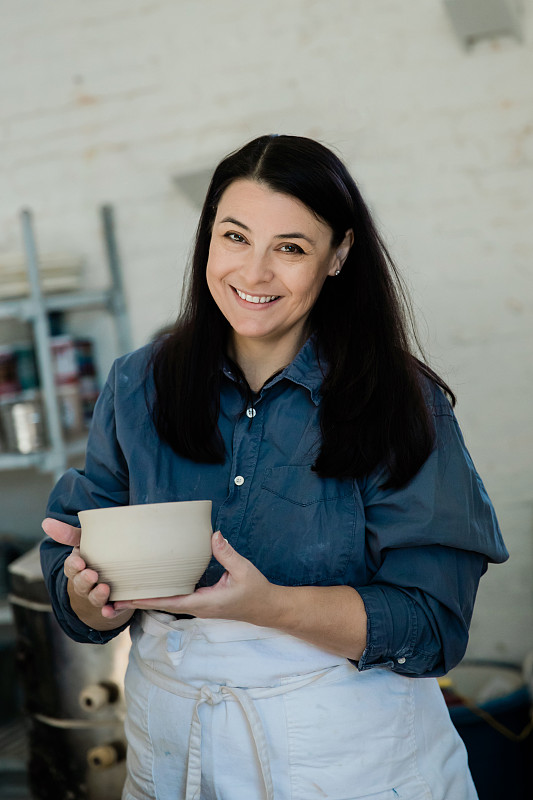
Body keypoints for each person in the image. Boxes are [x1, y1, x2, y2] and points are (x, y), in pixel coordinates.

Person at [40, 134, 508, 800]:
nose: (253, 273)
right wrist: (90, 597)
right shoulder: (137, 384)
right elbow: (72, 564)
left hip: (355, 767)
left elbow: (432, 625)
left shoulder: (403, 405)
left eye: (289, 248)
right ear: (207, 239)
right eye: (234, 237)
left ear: (338, 255)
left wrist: (272, 608)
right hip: (172, 754)